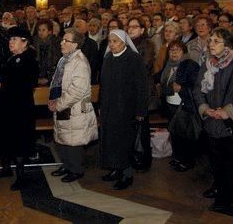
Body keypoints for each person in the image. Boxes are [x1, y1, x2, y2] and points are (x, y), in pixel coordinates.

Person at [194, 27, 233, 210]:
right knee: (215, 160)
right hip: (211, 120)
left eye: (216, 41)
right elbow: (198, 89)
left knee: (231, 162)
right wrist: (205, 109)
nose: (211, 44)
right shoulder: (208, 62)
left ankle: (228, 197)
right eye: (210, 41)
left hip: (230, 123)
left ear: (228, 45)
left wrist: (228, 111)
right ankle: (219, 187)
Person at [0, 26, 38, 191]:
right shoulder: (12, 58)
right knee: (6, 139)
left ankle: (21, 177)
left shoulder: (29, 60)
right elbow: (6, 76)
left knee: (18, 142)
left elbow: (25, 84)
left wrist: (0, 86)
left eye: (14, 39)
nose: (11, 42)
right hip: (7, 107)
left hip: (19, 109)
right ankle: (6, 168)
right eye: (10, 39)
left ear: (25, 43)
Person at [99, 29, 149, 190]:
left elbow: (142, 87)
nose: (111, 45)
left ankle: (126, 175)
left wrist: (141, 111)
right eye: (110, 42)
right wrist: (101, 106)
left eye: (115, 41)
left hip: (127, 109)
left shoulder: (134, 58)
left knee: (124, 142)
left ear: (124, 42)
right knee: (111, 141)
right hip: (109, 108)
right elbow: (103, 85)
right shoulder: (108, 58)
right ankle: (115, 169)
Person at [48, 29, 98, 182]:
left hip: (74, 107)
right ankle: (67, 165)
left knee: (73, 140)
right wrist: (52, 98)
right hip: (63, 105)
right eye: (62, 39)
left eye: (66, 40)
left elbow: (77, 90)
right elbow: (57, 81)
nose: (62, 43)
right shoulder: (65, 59)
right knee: (63, 137)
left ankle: (76, 169)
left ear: (75, 44)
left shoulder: (80, 62)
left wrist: (59, 104)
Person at [159, 40, 200, 172]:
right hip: (170, 103)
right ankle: (177, 156)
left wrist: (181, 89)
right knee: (175, 132)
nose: (174, 52)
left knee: (185, 134)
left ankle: (188, 160)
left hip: (184, 105)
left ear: (184, 51)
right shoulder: (169, 65)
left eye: (177, 50)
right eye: (171, 50)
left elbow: (196, 86)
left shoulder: (190, 65)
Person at [33, 19, 61, 86]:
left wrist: (49, 78)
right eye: (39, 30)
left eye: (43, 30)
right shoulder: (34, 42)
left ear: (49, 31)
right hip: (37, 78)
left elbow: (57, 63)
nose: (41, 32)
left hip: (52, 78)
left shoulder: (56, 43)